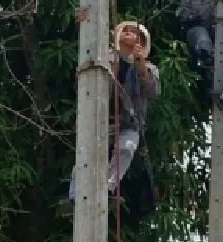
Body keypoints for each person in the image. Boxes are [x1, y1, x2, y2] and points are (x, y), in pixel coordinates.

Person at [68, 21, 159, 200]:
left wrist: (140, 64)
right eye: (126, 31)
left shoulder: (148, 68)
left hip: (129, 124)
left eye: (135, 33)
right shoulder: (103, 58)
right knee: (86, 151)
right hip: (101, 119)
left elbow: (152, 91)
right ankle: (76, 194)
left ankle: (107, 187)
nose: (130, 33)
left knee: (128, 147)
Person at [176, 0, 219, 74]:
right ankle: (205, 53)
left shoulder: (222, 5)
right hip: (194, 30)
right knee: (201, 34)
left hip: (214, 35)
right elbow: (180, 15)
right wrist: (195, 15)